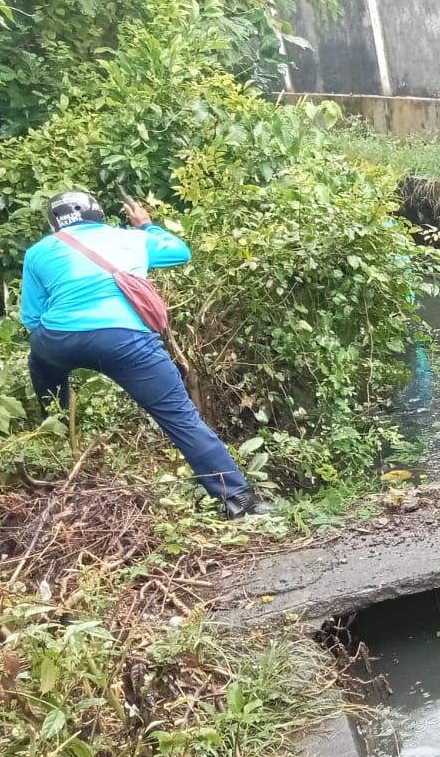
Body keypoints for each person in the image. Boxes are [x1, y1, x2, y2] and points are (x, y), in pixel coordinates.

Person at [20, 191, 271, 517]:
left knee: (41, 363)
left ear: (54, 221)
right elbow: (180, 252)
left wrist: (64, 335)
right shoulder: (131, 239)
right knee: (181, 419)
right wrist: (146, 225)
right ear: (98, 214)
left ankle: (55, 435)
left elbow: (31, 318)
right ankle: (239, 500)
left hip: (59, 339)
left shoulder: (39, 252)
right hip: (127, 341)